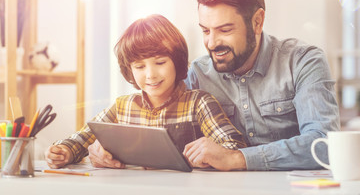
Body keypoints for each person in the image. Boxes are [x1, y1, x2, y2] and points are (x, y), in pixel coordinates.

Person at [45, 14, 246, 169]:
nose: (150, 74)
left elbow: (235, 149)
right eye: (139, 67)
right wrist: (64, 151)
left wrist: (212, 154)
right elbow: (82, 138)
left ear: (176, 62)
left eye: (160, 62)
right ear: (129, 70)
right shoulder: (123, 106)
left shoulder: (199, 103)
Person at [182, 0, 340, 171]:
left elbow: (323, 144)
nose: (212, 43)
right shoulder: (198, 74)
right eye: (206, 31)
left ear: (257, 21)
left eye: (225, 30)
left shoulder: (303, 61)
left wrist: (237, 158)